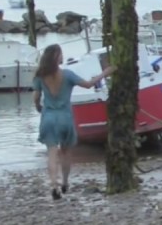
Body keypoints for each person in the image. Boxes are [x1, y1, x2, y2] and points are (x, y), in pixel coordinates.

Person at [32, 44, 113, 200]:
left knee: (52, 153)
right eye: (60, 54)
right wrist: (104, 73)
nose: (63, 56)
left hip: (48, 117)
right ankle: (65, 182)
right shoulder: (68, 75)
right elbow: (88, 84)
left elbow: (35, 98)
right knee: (66, 152)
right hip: (65, 118)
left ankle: (54, 185)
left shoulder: (40, 76)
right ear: (56, 57)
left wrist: (38, 107)